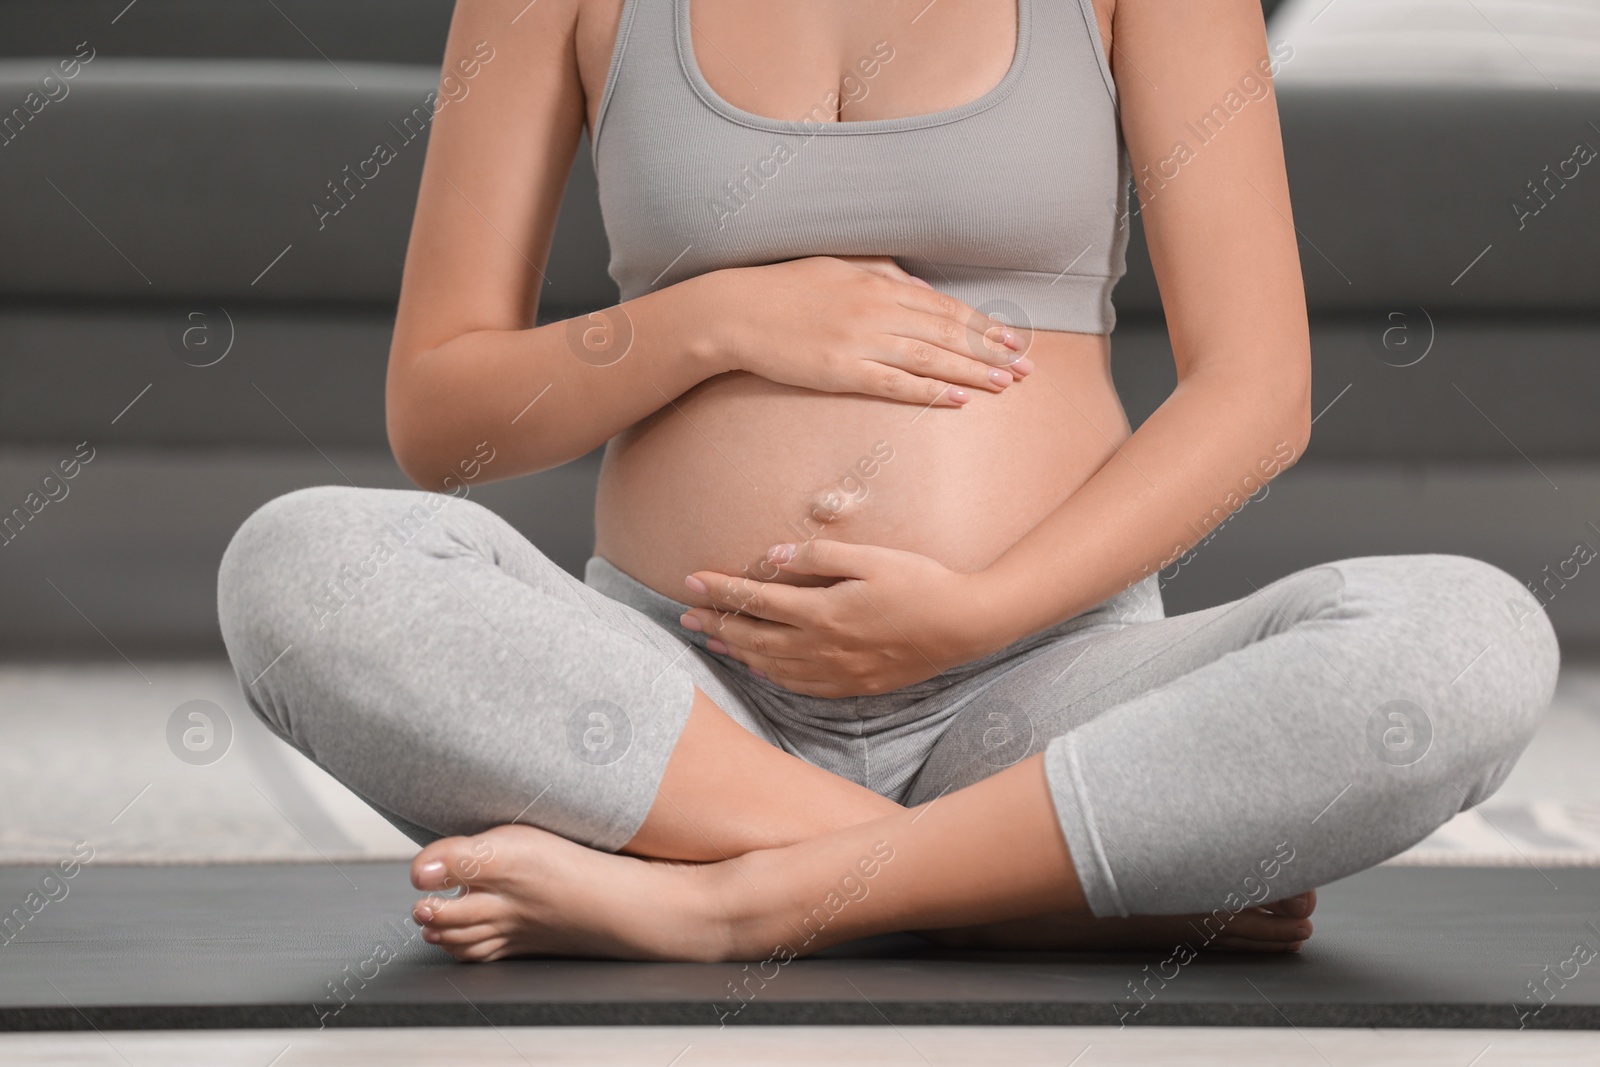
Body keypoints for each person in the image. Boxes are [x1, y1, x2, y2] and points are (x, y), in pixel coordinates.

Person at [217, 0, 1559, 962]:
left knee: (1469, 643)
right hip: (682, 700)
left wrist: (978, 613)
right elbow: (441, 417)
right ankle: (1010, 882)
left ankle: (738, 902)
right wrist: (715, 320)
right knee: (300, 565)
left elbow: (1257, 395)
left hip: (1044, 691)